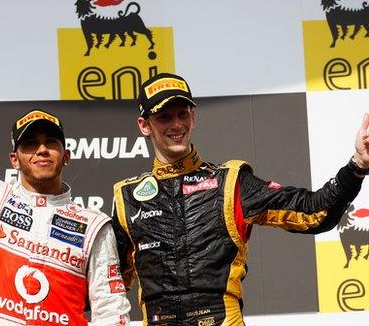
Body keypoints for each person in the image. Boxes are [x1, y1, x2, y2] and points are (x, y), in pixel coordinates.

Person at [0, 0, 131, 326]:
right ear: (14, 158)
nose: (41, 150)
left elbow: (112, 310)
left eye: (51, 142)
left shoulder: (94, 225)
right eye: (30, 144)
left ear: (67, 155)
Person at [111, 72, 369, 326]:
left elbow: (314, 213)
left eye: (183, 114)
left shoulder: (231, 182)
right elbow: (108, 285)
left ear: (194, 117)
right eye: (164, 117)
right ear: (144, 125)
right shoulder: (127, 197)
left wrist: (357, 164)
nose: (176, 124)